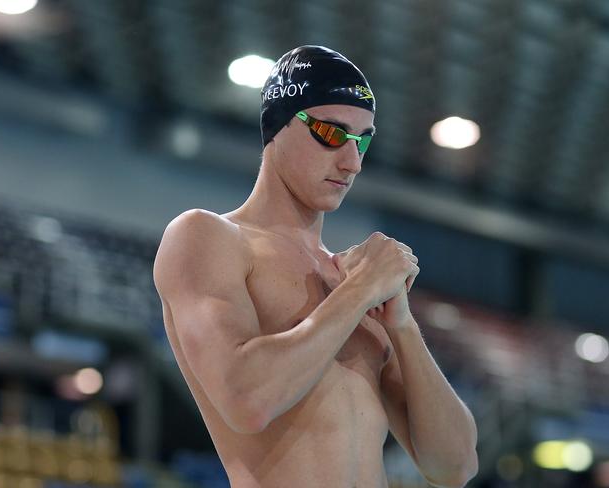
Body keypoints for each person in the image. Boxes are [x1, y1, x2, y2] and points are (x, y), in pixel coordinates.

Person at [153, 45, 478, 487]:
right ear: (277, 126)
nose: (353, 161)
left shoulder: (350, 280)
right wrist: (358, 292)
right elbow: (247, 399)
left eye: (363, 140)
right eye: (330, 133)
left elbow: (454, 466)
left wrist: (402, 327)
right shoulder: (207, 237)